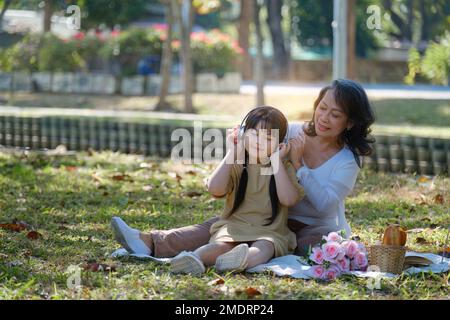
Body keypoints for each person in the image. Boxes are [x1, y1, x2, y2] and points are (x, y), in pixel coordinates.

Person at [111, 79, 375, 258]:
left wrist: (297, 165)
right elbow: (257, 146)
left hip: (312, 226)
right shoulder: (292, 131)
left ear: (350, 123)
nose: (324, 118)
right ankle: (149, 241)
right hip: (268, 211)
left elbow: (324, 205)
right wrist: (240, 141)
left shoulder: (347, 161)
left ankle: (248, 253)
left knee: (316, 247)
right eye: (322, 107)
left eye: (335, 114)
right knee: (220, 225)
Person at [168, 106, 304, 274]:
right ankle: (193, 258)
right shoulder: (237, 163)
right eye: (254, 134)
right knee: (222, 246)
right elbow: (215, 189)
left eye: (268, 138)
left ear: (280, 144)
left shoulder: (282, 167)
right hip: (234, 227)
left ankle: (239, 261)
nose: (258, 142)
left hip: (270, 231)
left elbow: (288, 199)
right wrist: (232, 152)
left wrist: (276, 161)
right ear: (242, 134)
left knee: (265, 246)